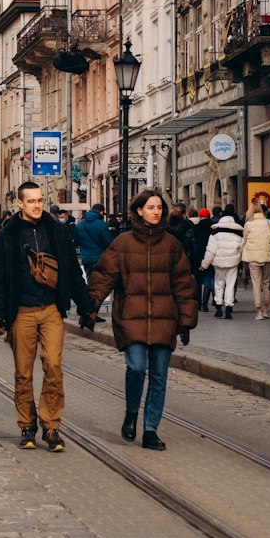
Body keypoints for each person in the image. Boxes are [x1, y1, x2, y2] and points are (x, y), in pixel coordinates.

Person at [0, 180, 94, 452]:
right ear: (19, 203)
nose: (36, 206)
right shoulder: (6, 237)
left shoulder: (57, 232)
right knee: (23, 373)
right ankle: (27, 425)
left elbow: (70, 271)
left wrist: (86, 306)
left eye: (40, 201)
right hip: (21, 311)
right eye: (31, 201)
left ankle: (52, 425)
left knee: (53, 366)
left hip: (51, 309)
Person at [86, 188, 198, 451]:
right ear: (139, 210)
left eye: (159, 208)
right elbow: (103, 277)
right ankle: (131, 412)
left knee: (159, 376)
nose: (156, 212)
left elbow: (183, 284)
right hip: (131, 316)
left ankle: (150, 429)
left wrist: (186, 321)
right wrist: (89, 307)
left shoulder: (172, 245)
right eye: (151, 207)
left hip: (164, 318)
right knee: (136, 367)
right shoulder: (123, 243)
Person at [200, 208, 244, 317]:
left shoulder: (215, 235)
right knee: (230, 284)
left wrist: (204, 265)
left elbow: (210, 251)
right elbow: (241, 250)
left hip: (218, 263)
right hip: (233, 262)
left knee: (219, 283)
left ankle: (218, 308)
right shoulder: (238, 235)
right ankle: (229, 308)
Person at [241, 202, 270, 320]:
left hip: (253, 257)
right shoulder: (268, 223)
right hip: (267, 256)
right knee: (266, 282)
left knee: (256, 283)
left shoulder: (248, 224)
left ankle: (258, 311)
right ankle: (266, 309)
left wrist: (241, 251)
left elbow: (244, 240)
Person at [75, 203, 113, 277]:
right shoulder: (102, 224)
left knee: (90, 280)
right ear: (101, 212)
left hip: (86, 258)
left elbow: (77, 240)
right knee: (100, 281)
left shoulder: (80, 224)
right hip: (100, 258)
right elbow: (109, 242)